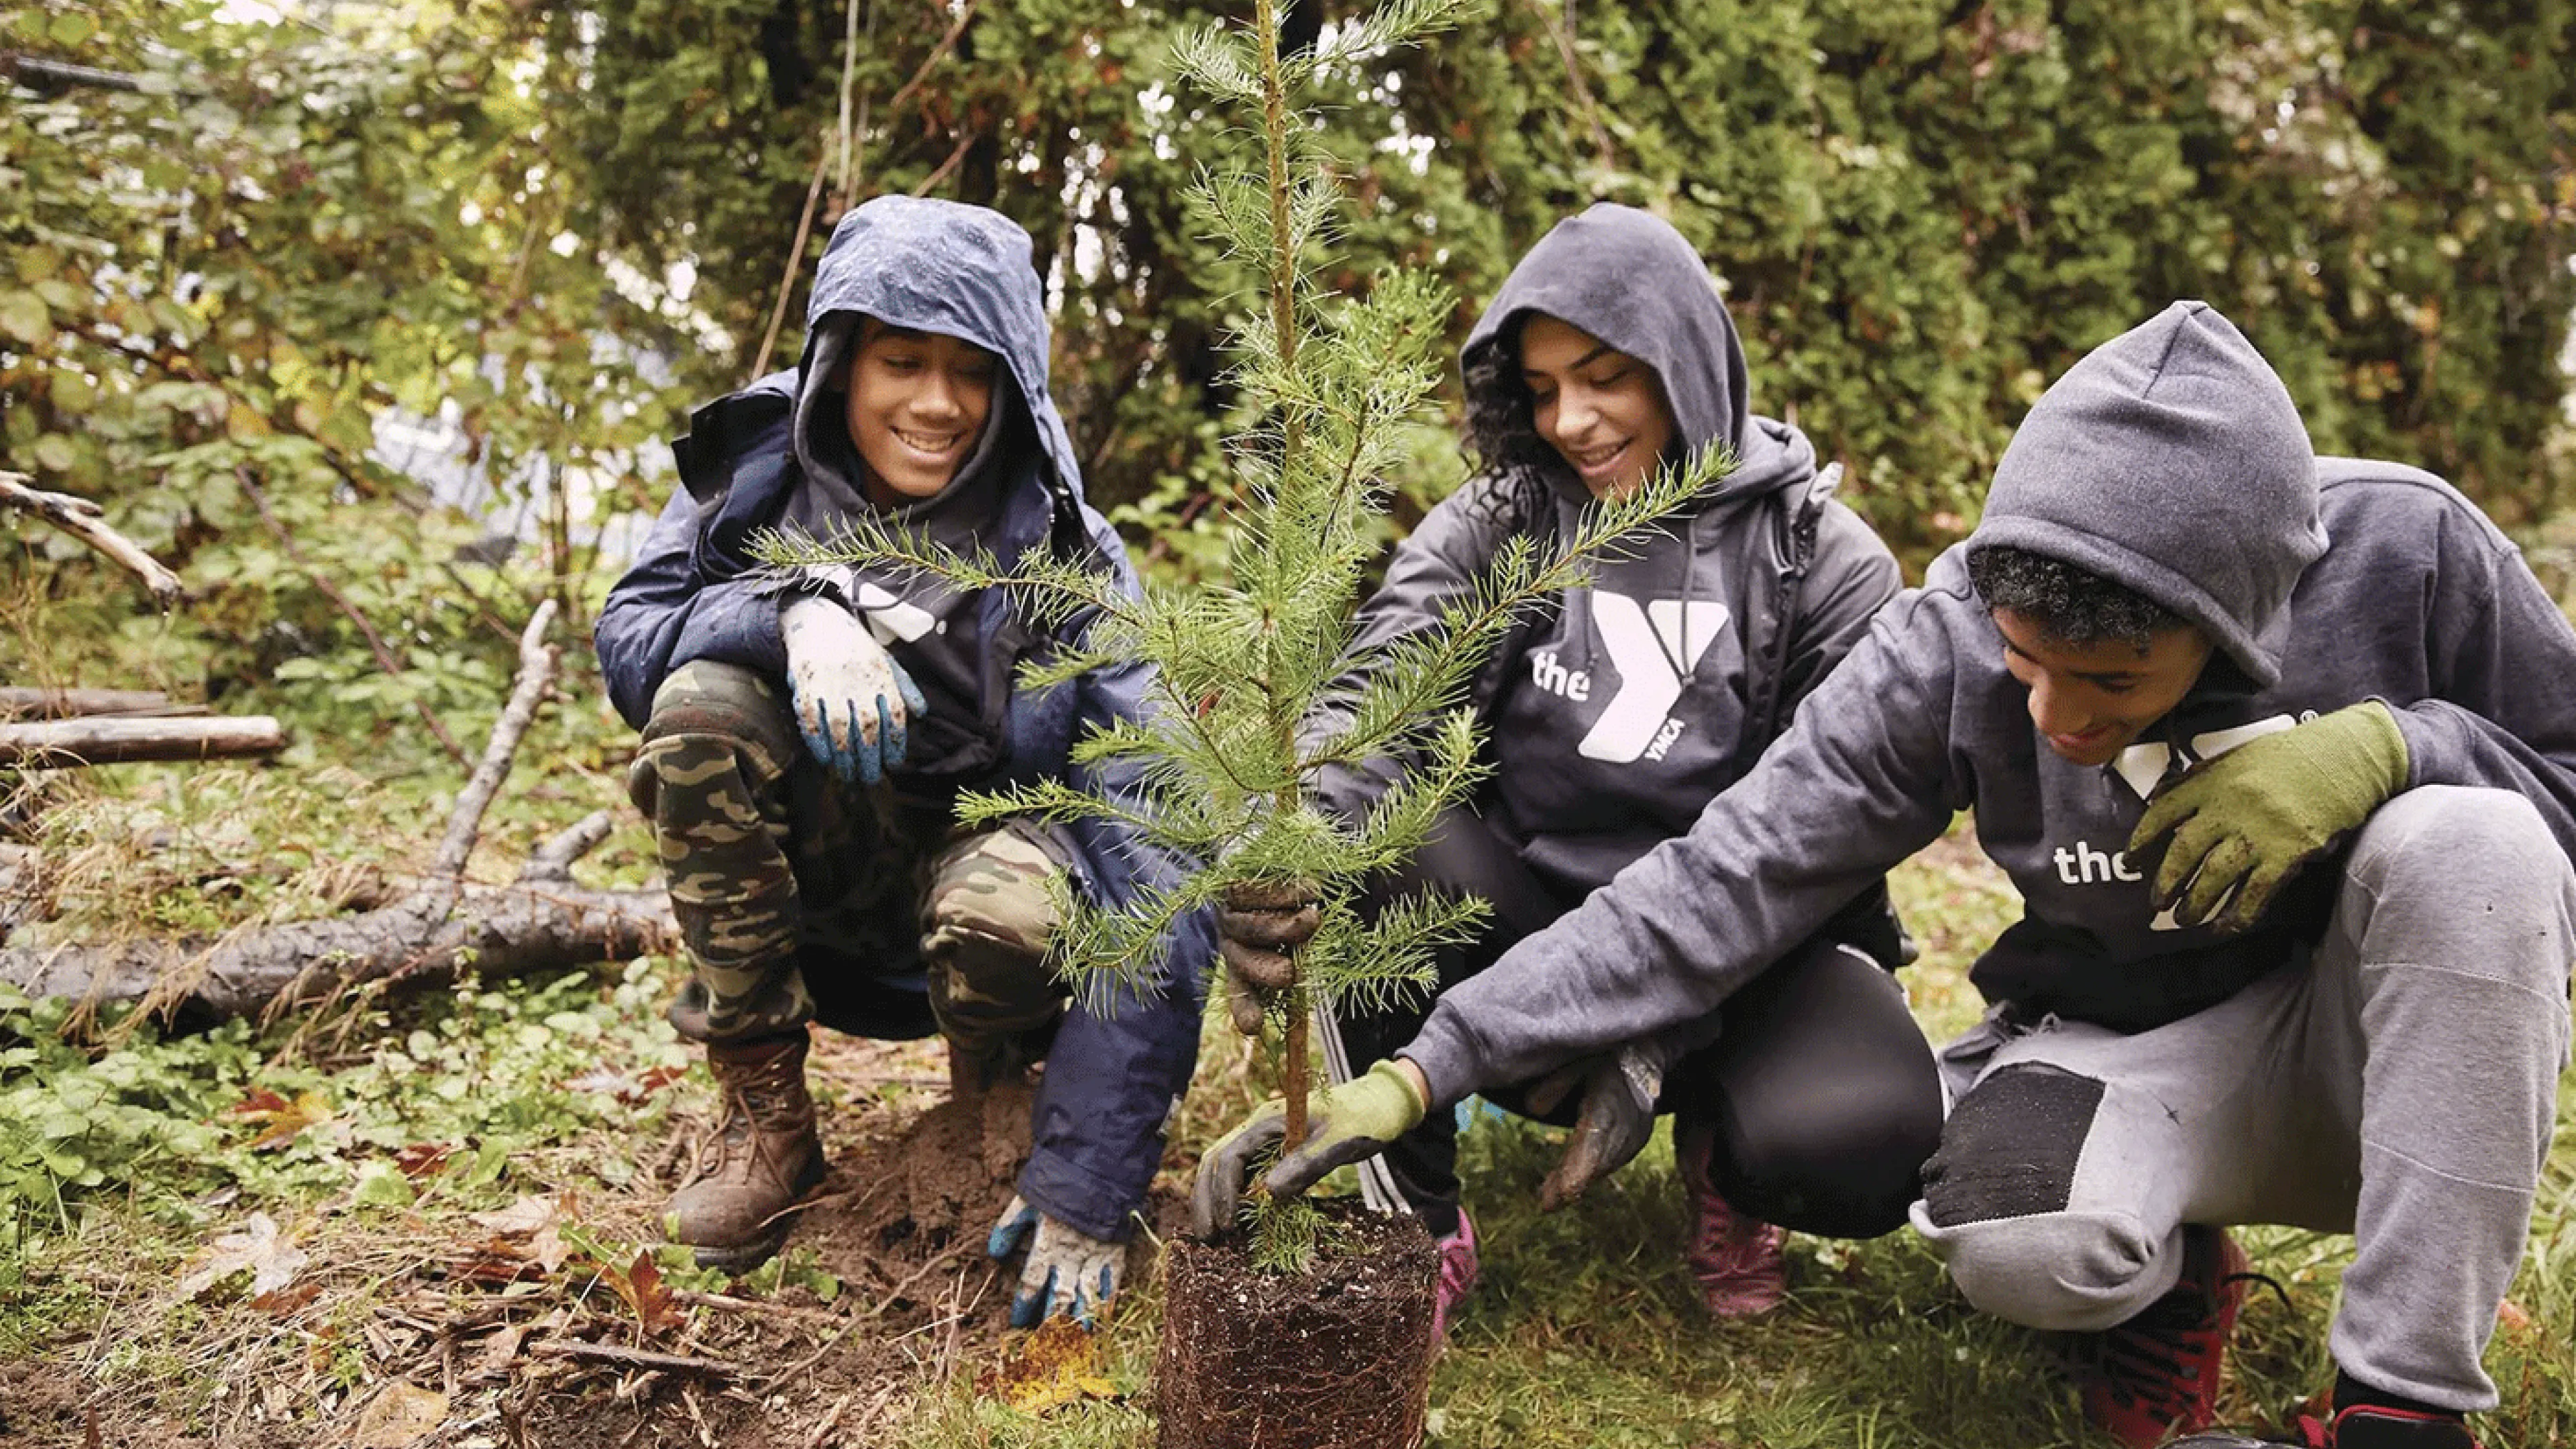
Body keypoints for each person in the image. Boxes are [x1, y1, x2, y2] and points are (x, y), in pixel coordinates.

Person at [1201, 299, 2576, 1448]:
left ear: (2245, 622)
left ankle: (2402, 1409)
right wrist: (1423, 1067)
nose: (2055, 722)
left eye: (2113, 682)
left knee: (2470, 835)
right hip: (2141, 1050)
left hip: (2387, 1062)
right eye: (2029, 665)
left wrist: (2404, 744)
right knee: (2015, 1241)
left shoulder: (2410, 552)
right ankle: (2165, 1281)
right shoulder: (1948, 642)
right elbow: (1723, 879)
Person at [1209, 204, 1947, 1336]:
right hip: (1529, 922)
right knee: (1372, 834)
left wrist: (1661, 1035)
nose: (1573, 420)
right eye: (1545, 388)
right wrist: (1286, 838)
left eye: (1606, 377)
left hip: (1746, 948)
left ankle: (1725, 1155)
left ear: (1688, 363)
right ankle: (1416, 1221)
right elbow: (1374, 708)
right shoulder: (1503, 523)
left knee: (1863, 1136)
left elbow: (1809, 850)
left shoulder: (1823, 563)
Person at [596, 195, 1209, 1328]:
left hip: (981, 906)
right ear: (841, 363)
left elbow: (1155, 839)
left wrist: (1092, 1176)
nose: (936, 402)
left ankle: (998, 1103)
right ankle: (766, 1122)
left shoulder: (1067, 549)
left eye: (972, 369)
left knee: (1019, 907)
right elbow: (631, 642)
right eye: (901, 361)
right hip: (815, 900)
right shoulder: (759, 479)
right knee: (698, 711)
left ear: (1014, 380)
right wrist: (794, 606)